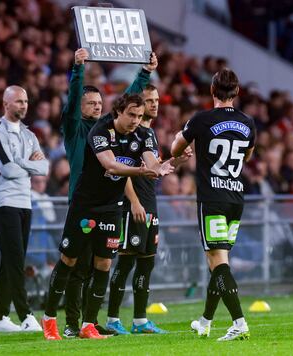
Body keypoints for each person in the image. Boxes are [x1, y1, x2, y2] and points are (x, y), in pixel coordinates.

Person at [42, 93, 176, 340]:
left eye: (139, 115)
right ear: (118, 112)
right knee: (69, 260)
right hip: (85, 206)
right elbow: (111, 166)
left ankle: (88, 325)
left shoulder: (142, 136)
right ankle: (49, 319)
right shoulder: (100, 130)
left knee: (104, 264)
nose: (136, 120)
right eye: (131, 115)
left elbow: (149, 160)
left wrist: (161, 167)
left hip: (112, 207)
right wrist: (142, 171)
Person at [61, 48, 158, 338]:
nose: (95, 107)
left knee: (99, 266)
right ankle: (71, 323)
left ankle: (90, 323)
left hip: (108, 204)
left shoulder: (107, 132)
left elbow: (128, 102)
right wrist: (78, 68)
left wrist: (144, 73)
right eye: (90, 103)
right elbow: (73, 96)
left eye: (99, 103)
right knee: (78, 268)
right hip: (82, 204)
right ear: (80, 106)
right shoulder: (75, 128)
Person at [171, 68, 256, 341]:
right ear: (237, 91)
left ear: (212, 91)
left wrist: (180, 148)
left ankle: (239, 322)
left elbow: (176, 148)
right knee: (219, 262)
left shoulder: (202, 120)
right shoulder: (248, 123)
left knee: (217, 262)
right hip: (235, 197)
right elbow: (247, 156)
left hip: (212, 198)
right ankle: (205, 321)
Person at [105, 85, 191, 334]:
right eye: (148, 100)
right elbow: (122, 171)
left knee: (146, 263)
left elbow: (154, 170)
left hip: (149, 204)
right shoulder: (129, 135)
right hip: (134, 206)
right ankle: (112, 319)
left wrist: (175, 161)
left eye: (155, 100)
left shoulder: (149, 136)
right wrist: (133, 201)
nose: (154, 104)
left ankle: (140, 320)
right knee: (125, 262)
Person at [0, 85, 49, 332]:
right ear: (6, 104)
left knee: (12, 259)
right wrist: (25, 165)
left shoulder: (29, 135)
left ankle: (0, 319)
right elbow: (8, 172)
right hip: (2, 201)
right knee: (15, 258)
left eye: (25, 101)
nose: (23, 105)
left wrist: (17, 163)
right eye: (18, 101)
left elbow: (44, 168)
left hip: (24, 201)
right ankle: (26, 315)